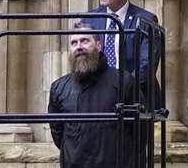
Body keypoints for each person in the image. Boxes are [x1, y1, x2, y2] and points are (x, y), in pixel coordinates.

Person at [48, 21, 133, 168]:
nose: (79, 47)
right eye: (74, 43)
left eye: (85, 41)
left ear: (99, 46)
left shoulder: (123, 82)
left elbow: (139, 131)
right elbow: (58, 133)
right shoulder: (59, 88)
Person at [95, 0, 162, 104]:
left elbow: (146, 65)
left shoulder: (145, 19)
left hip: (136, 98)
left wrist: (122, 90)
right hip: (98, 98)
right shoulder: (91, 19)